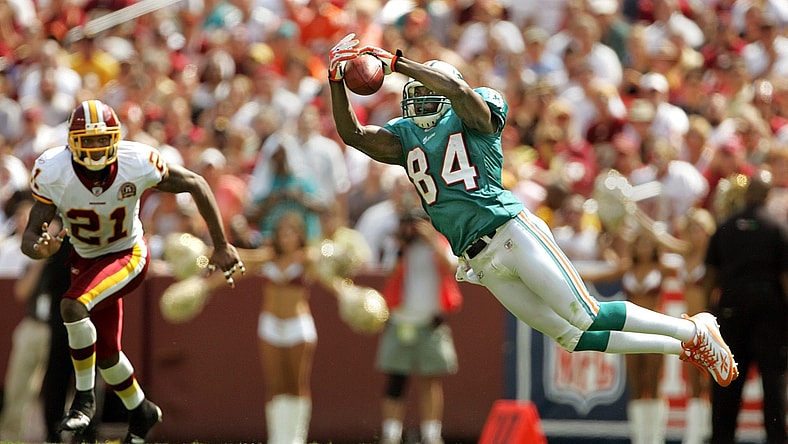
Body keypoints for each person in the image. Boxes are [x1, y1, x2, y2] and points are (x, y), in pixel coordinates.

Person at [327, 33, 739, 389]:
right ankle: (685, 344)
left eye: (423, 91)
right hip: (479, 259)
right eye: (412, 96)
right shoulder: (405, 137)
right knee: (571, 336)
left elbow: (457, 91)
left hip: (510, 230)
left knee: (587, 314)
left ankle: (694, 328)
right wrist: (336, 82)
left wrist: (399, 63)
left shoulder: (475, 110)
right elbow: (354, 134)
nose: (415, 103)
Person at [20, 99, 244, 443]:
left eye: (101, 139)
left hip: (128, 254)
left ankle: (83, 401)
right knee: (108, 356)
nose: (95, 147)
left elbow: (196, 183)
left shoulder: (135, 162)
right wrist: (39, 246)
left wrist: (220, 243)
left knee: (72, 306)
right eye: (88, 140)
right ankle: (141, 412)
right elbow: (32, 233)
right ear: (72, 142)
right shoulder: (53, 170)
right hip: (86, 262)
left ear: (115, 138)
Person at [702, 171, 788, 444]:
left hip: (730, 309)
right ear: (766, 195)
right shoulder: (776, 228)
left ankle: (721, 438)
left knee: (726, 379)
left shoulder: (725, 226)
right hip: (768, 310)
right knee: (772, 381)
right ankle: (775, 438)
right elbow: (785, 277)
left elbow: (710, 275)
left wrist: (709, 311)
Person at [376, 208, 462, 444]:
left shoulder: (440, 244)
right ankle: (391, 434)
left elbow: (451, 266)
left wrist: (431, 240)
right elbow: (389, 272)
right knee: (396, 378)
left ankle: (432, 435)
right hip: (401, 321)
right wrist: (403, 247)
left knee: (430, 379)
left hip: (431, 322)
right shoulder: (397, 247)